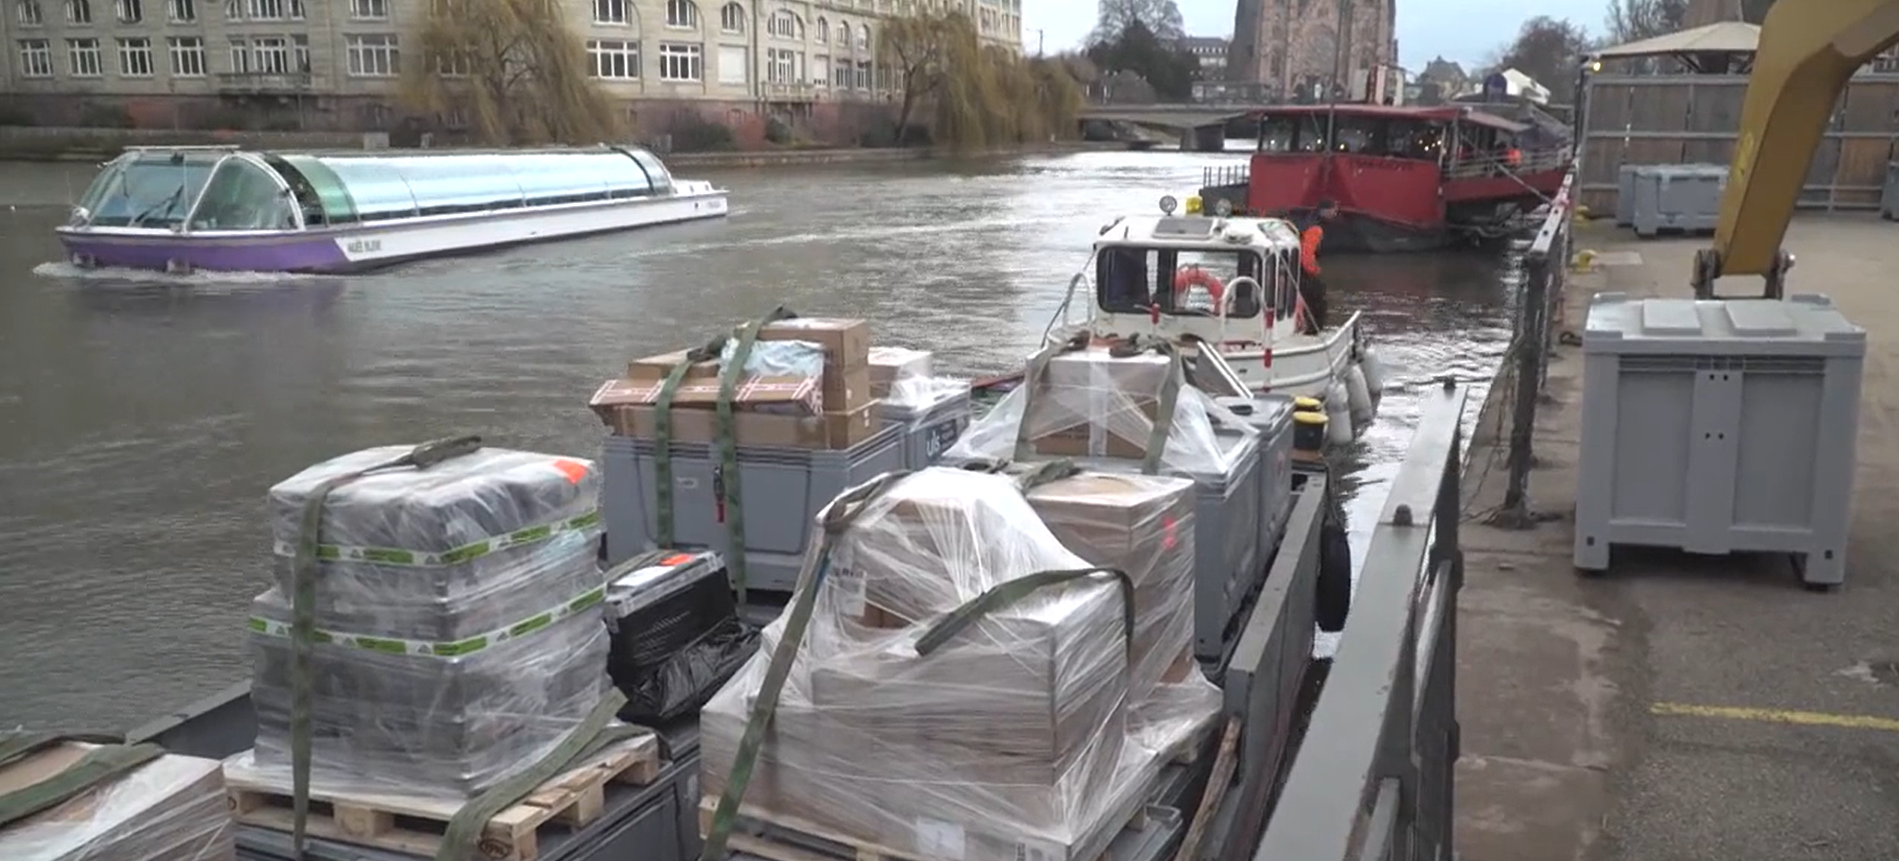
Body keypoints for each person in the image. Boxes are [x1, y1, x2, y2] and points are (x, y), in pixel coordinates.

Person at [1292, 200, 1336, 335]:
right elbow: (1307, 254)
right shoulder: (1315, 229)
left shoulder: (1306, 222)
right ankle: (1313, 331)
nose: (1335, 214)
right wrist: (1314, 271)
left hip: (1295, 269)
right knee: (1317, 301)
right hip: (1303, 273)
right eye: (1334, 210)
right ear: (1326, 211)